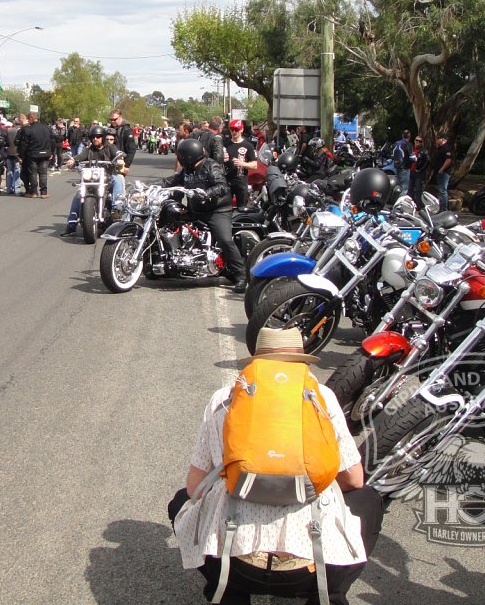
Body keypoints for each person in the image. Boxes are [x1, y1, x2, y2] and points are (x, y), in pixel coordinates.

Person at [168, 327, 383, 605]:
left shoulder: (222, 398)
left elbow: (195, 487)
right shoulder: (323, 398)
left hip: (235, 564)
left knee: (180, 502)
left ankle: (228, 593)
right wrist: (310, 482)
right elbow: (354, 479)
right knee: (368, 499)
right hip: (312, 566)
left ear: (256, 362)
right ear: (302, 363)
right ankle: (329, 593)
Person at [162, 138, 246, 293]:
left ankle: (241, 276)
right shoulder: (187, 170)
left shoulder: (211, 166)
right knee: (169, 218)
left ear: (187, 156)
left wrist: (206, 194)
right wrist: (156, 186)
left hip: (217, 211)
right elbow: (174, 180)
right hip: (196, 210)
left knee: (225, 239)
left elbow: (222, 186)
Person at [59, 126, 126, 237]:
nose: (96, 139)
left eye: (99, 136)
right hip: (91, 178)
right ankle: (71, 225)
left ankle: (117, 208)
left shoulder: (110, 147)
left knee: (117, 179)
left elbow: (117, 153)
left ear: (103, 137)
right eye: (93, 137)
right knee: (78, 194)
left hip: (107, 176)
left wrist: (119, 158)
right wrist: (72, 160)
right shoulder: (89, 150)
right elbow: (80, 156)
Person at [17, 112, 53, 198]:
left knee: (32, 173)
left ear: (30, 119)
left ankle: (34, 192)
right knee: (43, 173)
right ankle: (44, 192)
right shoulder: (46, 128)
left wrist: (21, 155)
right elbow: (52, 141)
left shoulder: (28, 129)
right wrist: (52, 152)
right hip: (45, 153)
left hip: (33, 154)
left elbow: (24, 144)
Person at [224, 119, 257, 207]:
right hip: (227, 180)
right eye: (232, 129)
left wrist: (243, 164)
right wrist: (221, 158)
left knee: (242, 207)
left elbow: (254, 165)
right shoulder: (225, 144)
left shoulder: (248, 145)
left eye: (236, 129)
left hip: (241, 181)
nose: (234, 132)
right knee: (226, 207)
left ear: (242, 129)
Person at [433, 132, 454, 211]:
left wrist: (441, 169)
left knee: (443, 190)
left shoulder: (446, 148)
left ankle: (444, 209)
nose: (437, 140)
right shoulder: (441, 148)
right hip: (440, 173)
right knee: (441, 190)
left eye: (438, 138)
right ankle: (441, 208)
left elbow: (448, 160)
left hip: (444, 173)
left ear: (442, 139)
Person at [408, 135, 429, 209]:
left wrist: (420, 169)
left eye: (419, 141)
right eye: (416, 140)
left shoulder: (424, 150)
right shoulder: (411, 149)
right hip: (411, 171)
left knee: (418, 189)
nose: (417, 142)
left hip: (418, 173)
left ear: (422, 143)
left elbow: (426, 161)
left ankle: (419, 205)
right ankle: (410, 204)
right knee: (409, 188)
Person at [4, 114, 24, 195]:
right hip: (17, 153)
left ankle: (9, 188)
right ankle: (17, 189)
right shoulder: (21, 130)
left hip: (9, 153)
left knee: (9, 171)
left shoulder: (9, 130)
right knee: (17, 171)